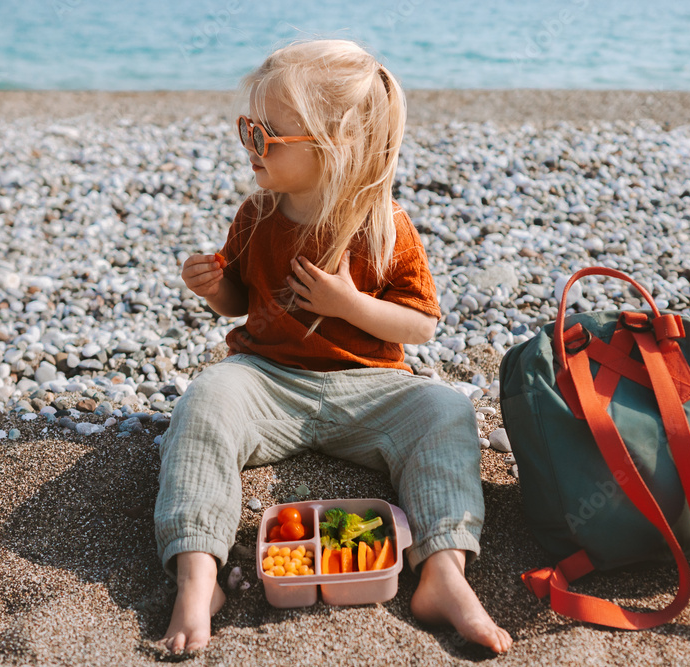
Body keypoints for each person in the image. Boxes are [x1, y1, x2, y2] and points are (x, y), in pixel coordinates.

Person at [154, 38, 512, 656]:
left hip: (370, 387)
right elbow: (243, 301)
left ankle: (443, 572)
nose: (249, 147)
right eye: (247, 129)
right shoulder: (258, 214)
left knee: (446, 411)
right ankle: (198, 576)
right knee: (206, 400)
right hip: (266, 378)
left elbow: (420, 326)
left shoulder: (384, 224)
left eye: (266, 137)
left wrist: (349, 306)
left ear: (335, 144)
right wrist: (217, 291)